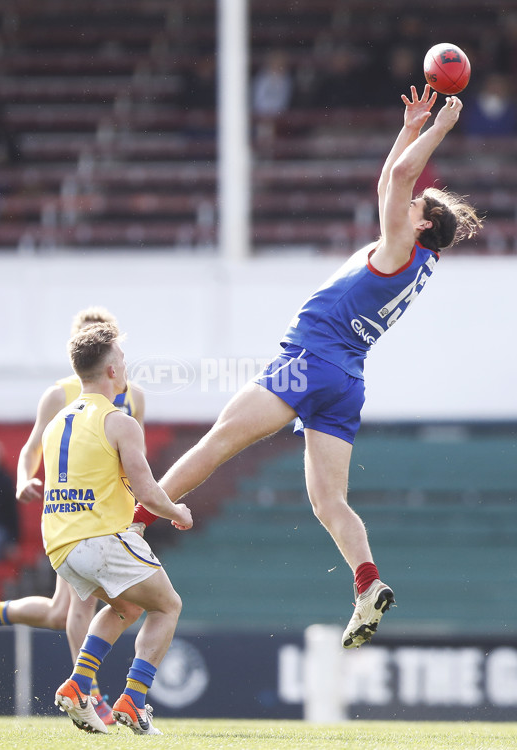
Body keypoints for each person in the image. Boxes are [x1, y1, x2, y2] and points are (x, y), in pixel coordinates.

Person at [132, 85, 483, 649]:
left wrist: (437, 127)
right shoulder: (417, 260)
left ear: (420, 224)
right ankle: (367, 582)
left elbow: (395, 180)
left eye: (419, 202)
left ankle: (135, 527)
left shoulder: (398, 244)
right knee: (328, 501)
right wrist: (409, 129)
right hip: (346, 382)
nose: (408, 198)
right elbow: (390, 179)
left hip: (309, 362)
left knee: (218, 440)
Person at [0, 306, 145, 727]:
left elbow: (134, 461)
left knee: (61, 612)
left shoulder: (133, 395)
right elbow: (31, 448)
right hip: (76, 514)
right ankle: (89, 694)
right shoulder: (60, 394)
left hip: (107, 513)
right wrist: (23, 478)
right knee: (87, 602)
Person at [47, 322, 192, 734]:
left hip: (60, 547)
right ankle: (135, 699)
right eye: (123, 360)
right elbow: (146, 490)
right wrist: (177, 512)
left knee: (125, 606)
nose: (126, 366)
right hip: (100, 538)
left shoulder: (57, 421)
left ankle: (78, 686)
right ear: (112, 371)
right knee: (168, 606)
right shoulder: (120, 422)